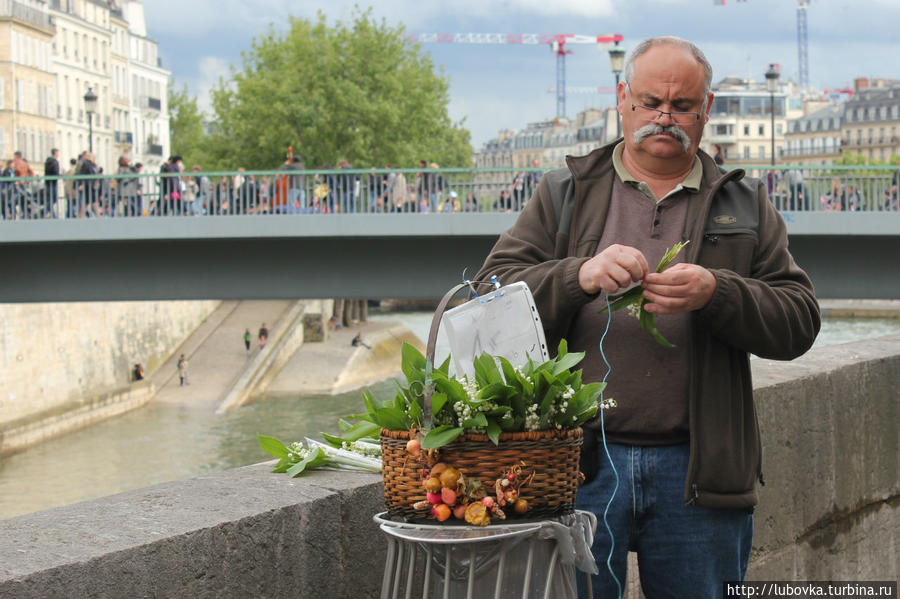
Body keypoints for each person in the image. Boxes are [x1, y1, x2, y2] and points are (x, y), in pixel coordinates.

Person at [474, 36, 820, 598]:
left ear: (705, 111)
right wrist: (577, 275)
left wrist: (717, 292)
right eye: (649, 101)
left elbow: (800, 323)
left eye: (682, 105)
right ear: (621, 99)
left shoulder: (746, 204)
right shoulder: (565, 192)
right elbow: (487, 298)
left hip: (700, 475)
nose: (665, 116)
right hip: (576, 466)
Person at [44, 148, 60, 218]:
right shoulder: (54, 162)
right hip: (53, 182)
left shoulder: (47, 161)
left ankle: (52, 215)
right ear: (55, 153)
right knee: (54, 199)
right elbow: (55, 172)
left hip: (48, 182)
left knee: (50, 199)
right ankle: (43, 211)